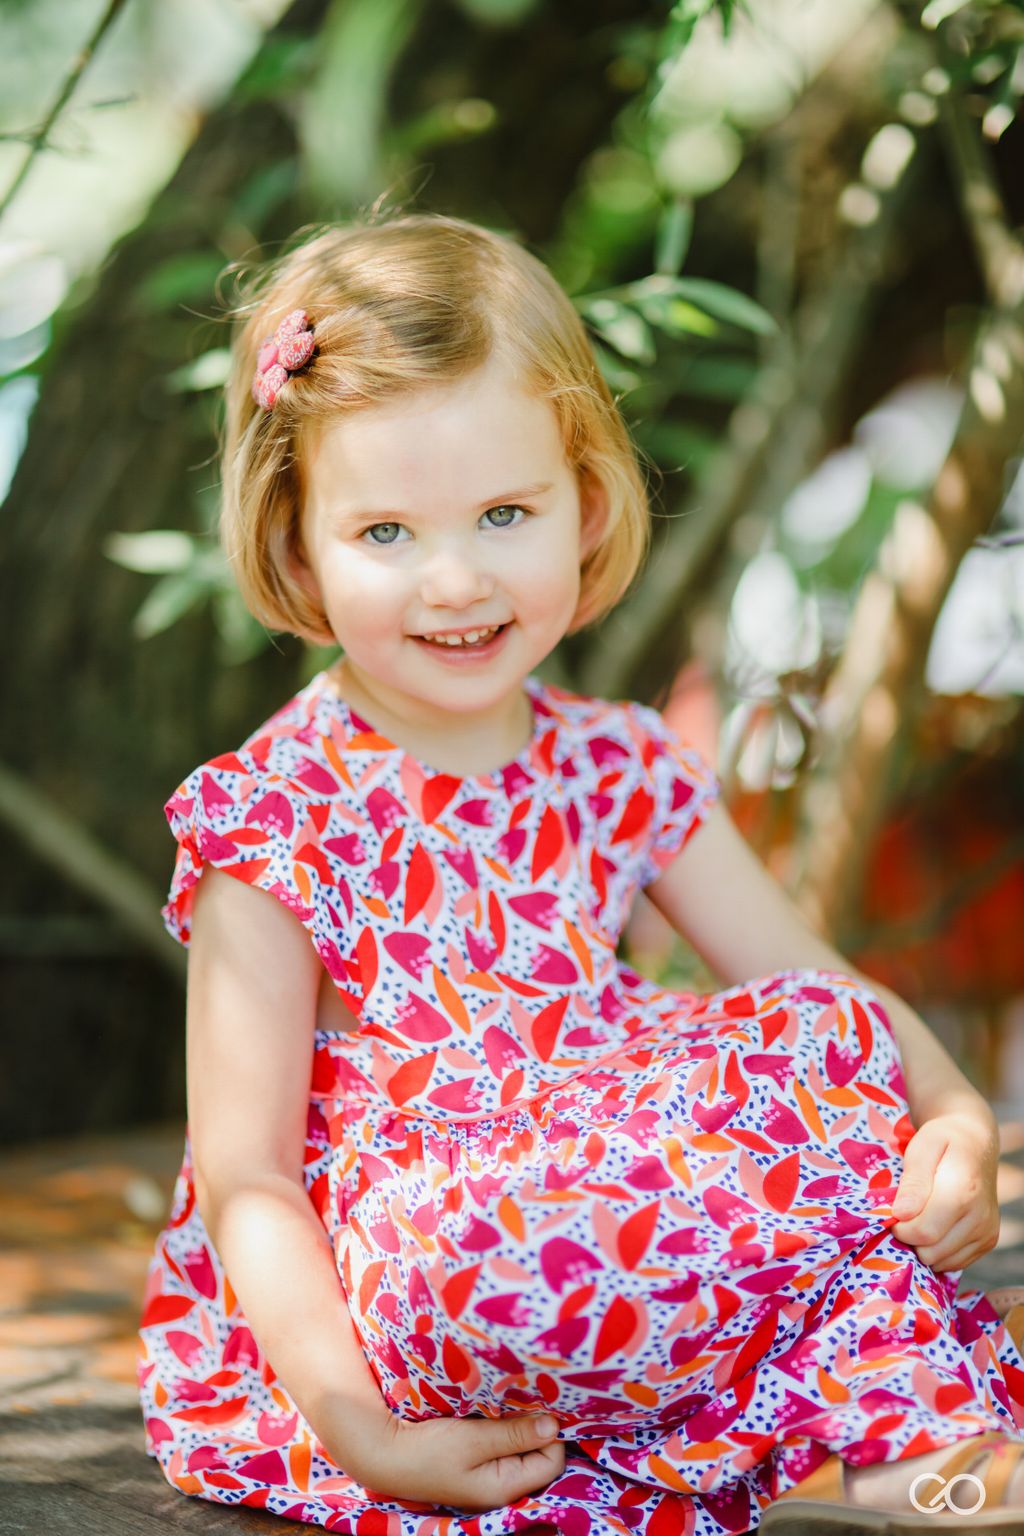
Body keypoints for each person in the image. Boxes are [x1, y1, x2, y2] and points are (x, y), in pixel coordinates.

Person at [137, 210, 1024, 1536]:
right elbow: (247, 1177)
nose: (455, 581)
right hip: (437, 1274)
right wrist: (359, 1428)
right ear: (297, 541)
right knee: (508, 1237)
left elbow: (820, 993)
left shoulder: (616, 763)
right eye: (386, 532)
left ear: (586, 503)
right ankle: (745, 1425)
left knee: (823, 1042)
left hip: (629, 1227)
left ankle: (911, 1462)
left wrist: (952, 1116)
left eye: (505, 514)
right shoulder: (275, 816)